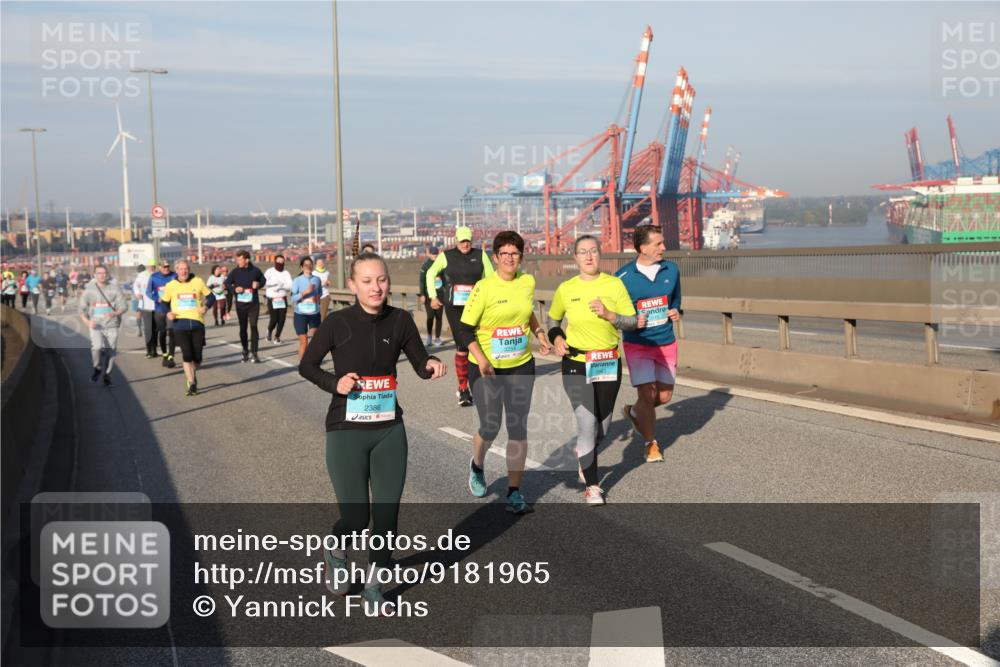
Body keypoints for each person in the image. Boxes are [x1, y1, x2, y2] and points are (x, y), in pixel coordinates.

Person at [298, 251, 446, 612]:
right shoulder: (337, 322)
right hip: (346, 430)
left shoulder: (401, 320)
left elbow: (419, 361)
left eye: (381, 279)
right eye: (367, 281)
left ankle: (374, 583)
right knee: (355, 517)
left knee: (386, 514)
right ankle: (336, 548)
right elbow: (307, 366)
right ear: (352, 285)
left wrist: (431, 365)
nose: (376, 287)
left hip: (388, 430)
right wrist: (336, 383)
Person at [456, 231, 550, 515]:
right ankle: (477, 465)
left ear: (521, 257)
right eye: (504, 254)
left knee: (518, 427)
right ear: (495, 257)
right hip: (487, 367)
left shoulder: (527, 282)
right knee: (490, 425)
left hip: (521, 364)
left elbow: (528, 312)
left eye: (515, 253)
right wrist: (482, 359)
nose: (510, 258)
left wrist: (540, 333)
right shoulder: (484, 288)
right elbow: (463, 329)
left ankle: (514, 492)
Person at [548, 235, 644, 504]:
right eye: (582, 252)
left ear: (600, 255)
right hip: (576, 362)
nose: (588, 256)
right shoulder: (566, 288)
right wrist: (557, 337)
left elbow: (633, 322)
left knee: (602, 425)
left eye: (593, 251)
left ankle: (585, 454)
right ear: (575, 258)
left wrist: (610, 315)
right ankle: (592, 486)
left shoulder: (614, 285)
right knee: (587, 423)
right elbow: (553, 318)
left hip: (607, 362)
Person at [615, 225, 682, 463]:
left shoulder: (671, 270)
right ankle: (650, 444)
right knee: (647, 394)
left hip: (666, 341)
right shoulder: (622, 278)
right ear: (643, 248)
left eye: (663, 243)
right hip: (638, 344)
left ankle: (634, 412)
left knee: (664, 397)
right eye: (658, 244)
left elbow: (675, 301)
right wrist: (633, 321)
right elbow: (615, 316)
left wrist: (676, 311)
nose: (664, 247)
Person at [425, 226, 495, 407]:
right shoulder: (446, 256)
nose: (465, 244)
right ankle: (464, 389)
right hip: (454, 308)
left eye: (468, 241)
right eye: (462, 241)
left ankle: (482, 381)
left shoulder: (480, 255)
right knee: (463, 346)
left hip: (477, 306)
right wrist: (433, 296)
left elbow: (491, 278)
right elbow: (431, 273)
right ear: (456, 240)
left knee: (480, 345)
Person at [160, 259, 216, 396]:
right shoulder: (171, 285)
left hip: (197, 323)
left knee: (197, 358)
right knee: (187, 355)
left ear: (189, 270)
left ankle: (192, 372)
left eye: (186, 269)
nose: (183, 271)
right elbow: (164, 303)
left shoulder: (198, 281)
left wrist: (206, 306)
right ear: (177, 270)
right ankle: (191, 383)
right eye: (181, 269)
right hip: (180, 324)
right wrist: (168, 313)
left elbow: (211, 296)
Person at [79, 264, 128, 387]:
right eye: (99, 273)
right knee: (96, 347)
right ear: (95, 275)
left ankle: (107, 375)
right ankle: (97, 367)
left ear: (108, 274)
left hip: (112, 324)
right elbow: (81, 309)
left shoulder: (115, 289)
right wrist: (87, 321)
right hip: (96, 325)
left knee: (110, 351)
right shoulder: (89, 290)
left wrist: (115, 313)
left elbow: (124, 306)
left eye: (104, 273)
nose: (102, 275)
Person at [224, 250, 266, 363]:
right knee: (243, 328)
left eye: (240, 259)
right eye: (237, 259)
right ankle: (245, 350)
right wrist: (234, 289)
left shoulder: (255, 271)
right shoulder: (235, 272)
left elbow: (263, 280)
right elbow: (227, 283)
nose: (237, 261)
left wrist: (258, 284)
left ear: (246, 260)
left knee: (253, 326)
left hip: (253, 304)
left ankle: (255, 353)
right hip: (241, 304)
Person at [289, 256, 324, 358]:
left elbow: (320, 293)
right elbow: (292, 298)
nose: (308, 267)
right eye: (306, 265)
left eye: (310, 265)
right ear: (301, 267)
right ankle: (303, 365)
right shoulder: (297, 280)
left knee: (316, 339)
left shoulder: (317, 279)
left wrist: (317, 297)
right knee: (304, 340)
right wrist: (305, 293)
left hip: (314, 313)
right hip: (301, 314)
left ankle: (312, 361)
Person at [146, 260, 178, 368]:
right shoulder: (154, 277)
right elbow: (148, 292)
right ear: (159, 267)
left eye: (168, 266)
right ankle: (165, 354)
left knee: (172, 332)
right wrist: (156, 298)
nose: (166, 268)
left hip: (171, 309)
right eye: (164, 267)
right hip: (159, 309)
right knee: (162, 333)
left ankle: (171, 356)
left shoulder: (174, 275)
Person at [417, 246, 444, 347]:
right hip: (429, 295)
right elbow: (421, 281)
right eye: (433, 254)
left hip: (440, 294)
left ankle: (437, 338)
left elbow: (445, 278)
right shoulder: (426, 265)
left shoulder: (441, 264)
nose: (434, 256)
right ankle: (429, 337)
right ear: (430, 254)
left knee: (439, 317)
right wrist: (422, 294)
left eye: (436, 254)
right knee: (430, 316)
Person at [264, 254, 293, 344]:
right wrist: (275, 283)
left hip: (282, 298)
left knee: (282, 319)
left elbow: (290, 286)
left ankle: (277, 337)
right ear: (275, 262)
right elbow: (264, 283)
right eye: (278, 261)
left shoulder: (286, 273)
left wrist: (281, 286)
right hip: (272, 298)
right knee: (274, 318)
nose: (280, 263)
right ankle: (269, 330)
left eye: (282, 261)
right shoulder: (269, 271)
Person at [134, 261, 158, 357]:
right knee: (148, 329)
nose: (151, 268)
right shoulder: (142, 275)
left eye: (153, 267)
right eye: (149, 267)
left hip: (157, 306)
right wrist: (137, 293)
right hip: (145, 306)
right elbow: (136, 286)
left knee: (156, 329)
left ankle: (154, 350)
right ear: (146, 267)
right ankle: (149, 350)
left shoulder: (158, 275)